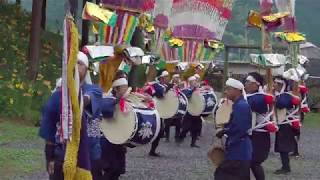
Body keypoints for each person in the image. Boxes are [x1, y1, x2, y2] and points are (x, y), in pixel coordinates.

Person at [39, 52, 103, 180]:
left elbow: (85, 100)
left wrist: (75, 98)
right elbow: (49, 128)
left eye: (79, 63)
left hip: (91, 157)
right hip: (62, 156)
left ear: (86, 69)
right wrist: (49, 158)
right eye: (72, 63)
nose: (75, 66)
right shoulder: (57, 96)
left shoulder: (94, 90)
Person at [214, 78, 252, 180]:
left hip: (239, 152)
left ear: (237, 91)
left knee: (221, 175)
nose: (226, 92)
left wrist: (224, 132)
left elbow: (241, 129)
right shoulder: (238, 105)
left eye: (229, 89)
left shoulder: (241, 106)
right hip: (239, 151)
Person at [100, 77, 130, 180]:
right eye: (123, 88)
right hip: (107, 140)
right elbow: (107, 112)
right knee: (111, 169)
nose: (126, 90)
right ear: (116, 89)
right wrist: (119, 100)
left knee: (118, 170)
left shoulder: (126, 100)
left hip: (119, 140)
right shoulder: (107, 99)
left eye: (126, 87)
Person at [245, 72, 273, 180]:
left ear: (256, 84)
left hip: (260, 136)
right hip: (250, 135)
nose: (246, 84)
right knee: (246, 162)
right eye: (246, 81)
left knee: (254, 162)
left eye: (248, 82)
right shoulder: (250, 96)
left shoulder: (260, 98)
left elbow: (250, 104)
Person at [273, 76, 300, 175]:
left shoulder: (286, 95)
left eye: (275, 83)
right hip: (282, 123)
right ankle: (285, 166)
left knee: (283, 147)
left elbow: (281, 104)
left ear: (281, 85)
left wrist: (274, 99)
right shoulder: (280, 95)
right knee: (281, 146)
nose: (274, 85)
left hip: (286, 124)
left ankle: (286, 167)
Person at [144, 70, 172, 156]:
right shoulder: (156, 85)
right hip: (154, 111)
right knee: (158, 131)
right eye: (167, 76)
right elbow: (160, 94)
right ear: (162, 78)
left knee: (160, 131)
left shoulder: (164, 85)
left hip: (160, 111)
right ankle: (151, 149)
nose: (168, 78)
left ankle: (152, 150)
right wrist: (169, 88)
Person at [178, 76, 202, 148]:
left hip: (196, 111)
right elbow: (187, 96)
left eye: (196, 81)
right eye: (194, 81)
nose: (195, 82)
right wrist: (193, 89)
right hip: (188, 111)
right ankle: (180, 138)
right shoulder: (186, 90)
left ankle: (193, 143)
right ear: (190, 82)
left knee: (196, 128)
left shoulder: (198, 90)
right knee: (186, 127)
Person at [164, 74, 183, 142]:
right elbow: (165, 93)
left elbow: (183, 94)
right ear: (173, 78)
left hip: (178, 107)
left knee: (178, 123)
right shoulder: (169, 85)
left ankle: (177, 137)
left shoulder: (181, 85)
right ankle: (167, 137)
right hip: (170, 106)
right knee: (167, 123)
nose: (177, 79)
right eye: (176, 77)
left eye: (178, 77)